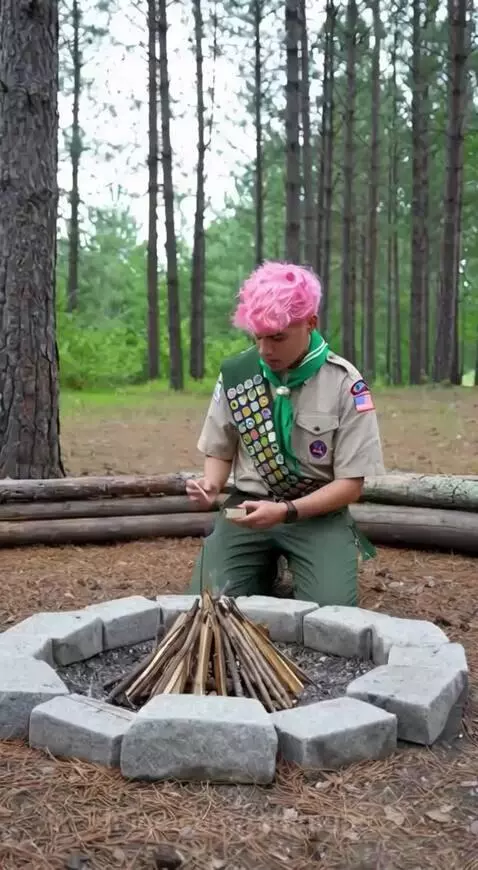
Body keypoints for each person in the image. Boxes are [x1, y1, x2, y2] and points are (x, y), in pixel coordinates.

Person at [186, 261, 385, 605]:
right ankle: (260, 568)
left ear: (311, 323)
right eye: (258, 336)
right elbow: (220, 448)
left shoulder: (345, 383)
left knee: (331, 613)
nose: (265, 350)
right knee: (206, 603)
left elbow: (351, 484)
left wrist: (287, 511)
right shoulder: (238, 374)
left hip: (317, 514)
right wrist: (211, 486)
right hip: (246, 509)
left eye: (278, 337)